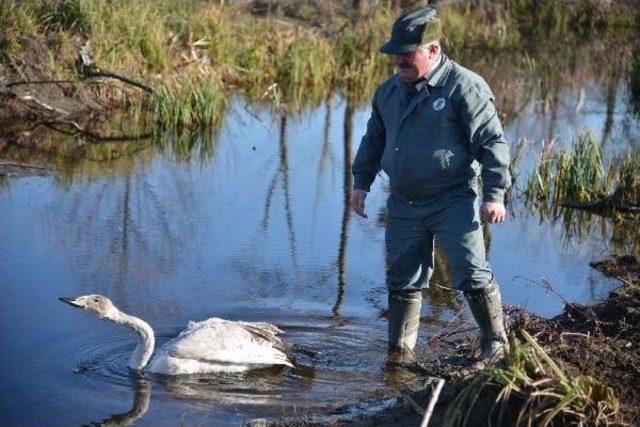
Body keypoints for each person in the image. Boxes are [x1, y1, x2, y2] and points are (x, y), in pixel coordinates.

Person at [351, 6, 511, 363]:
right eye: (396, 55)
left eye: (408, 54)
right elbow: (373, 140)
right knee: (402, 281)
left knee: (471, 272)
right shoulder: (388, 92)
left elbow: (492, 143)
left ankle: (496, 344)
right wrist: (361, 182)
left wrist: (494, 194)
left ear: (433, 50)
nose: (399, 62)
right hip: (404, 203)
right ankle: (399, 357)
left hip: (452, 199)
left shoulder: (464, 87)